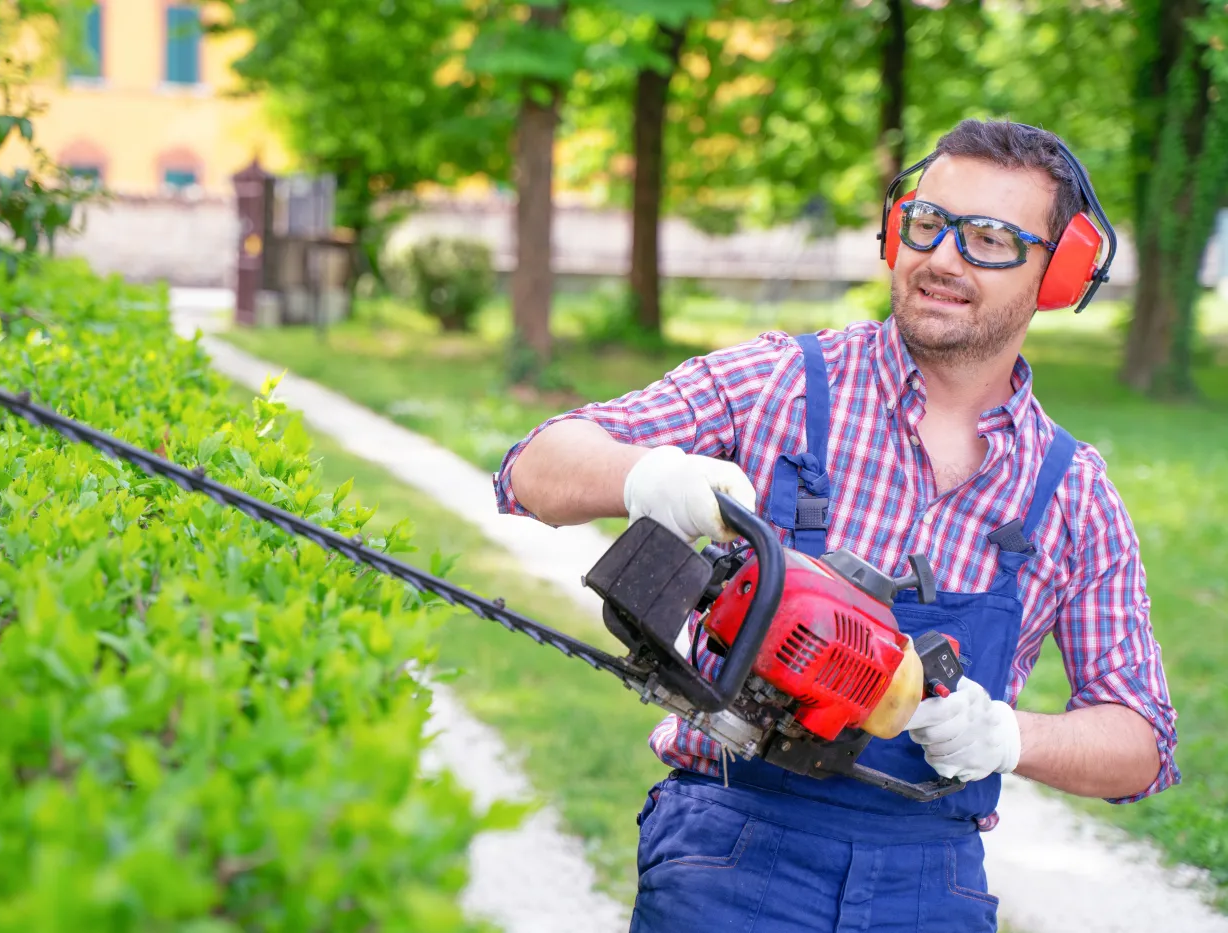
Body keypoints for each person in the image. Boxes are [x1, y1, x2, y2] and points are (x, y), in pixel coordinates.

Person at [491, 119, 1179, 932]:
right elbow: (531, 468)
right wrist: (645, 475)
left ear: (1055, 273)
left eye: (990, 238)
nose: (945, 257)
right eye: (930, 223)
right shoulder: (781, 380)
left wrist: (1005, 734)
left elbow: (1141, 740)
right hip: (731, 849)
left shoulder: (1072, 492)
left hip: (930, 883)